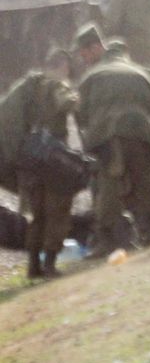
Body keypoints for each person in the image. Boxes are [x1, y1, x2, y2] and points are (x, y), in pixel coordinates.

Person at [74, 23, 150, 255]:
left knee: (108, 187)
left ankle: (107, 240)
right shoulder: (139, 71)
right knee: (144, 183)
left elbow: (81, 116)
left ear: (95, 48)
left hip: (109, 136)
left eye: (84, 53)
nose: (84, 59)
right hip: (142, 133)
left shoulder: (91, 77)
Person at [0, 50, 79, 278]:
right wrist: (76, 100)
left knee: (36, 214)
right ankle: (50, 265)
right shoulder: (57, 84)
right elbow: (66, 103)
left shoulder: (24, 88)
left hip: (28, 162)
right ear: (63, 66)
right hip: (53, 162)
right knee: (58, 211)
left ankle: (33, 266)